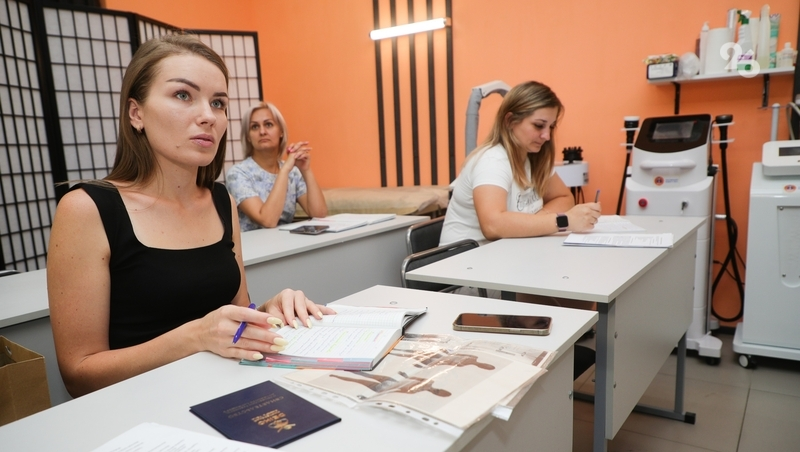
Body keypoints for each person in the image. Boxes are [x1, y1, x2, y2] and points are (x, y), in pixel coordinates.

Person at [46, 34, 335, 398]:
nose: (208, 116)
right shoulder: (87, 208)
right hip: (138, 409)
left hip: (225, 395)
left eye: (218, 103)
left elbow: (233, 318)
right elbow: (78, 374)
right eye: (183, 95)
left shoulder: (221, 201)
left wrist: (269, 310)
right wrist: (195, 337)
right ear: (136, 113)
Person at [440, 80, 600, 246]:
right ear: (510, 121)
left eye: (551, 127)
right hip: (465, 257)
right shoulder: (492, 161)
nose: (547, 136)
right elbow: (492, 225)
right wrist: (563, 221)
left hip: (503, 251)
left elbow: (564, 197)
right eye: (539, 125)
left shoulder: (534, 157)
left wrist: (535, 223)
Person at [225, 102, 327, 230]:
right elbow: (268, 221)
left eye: (268, 124)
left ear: (281, 132)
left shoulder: (293, 172)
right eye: (255, 127)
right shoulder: (237, 174)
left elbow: (320, 215)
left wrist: (306, 169)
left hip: (287, 241)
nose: (262, 131)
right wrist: (284, 171)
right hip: (253, 243)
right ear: (248, 137)